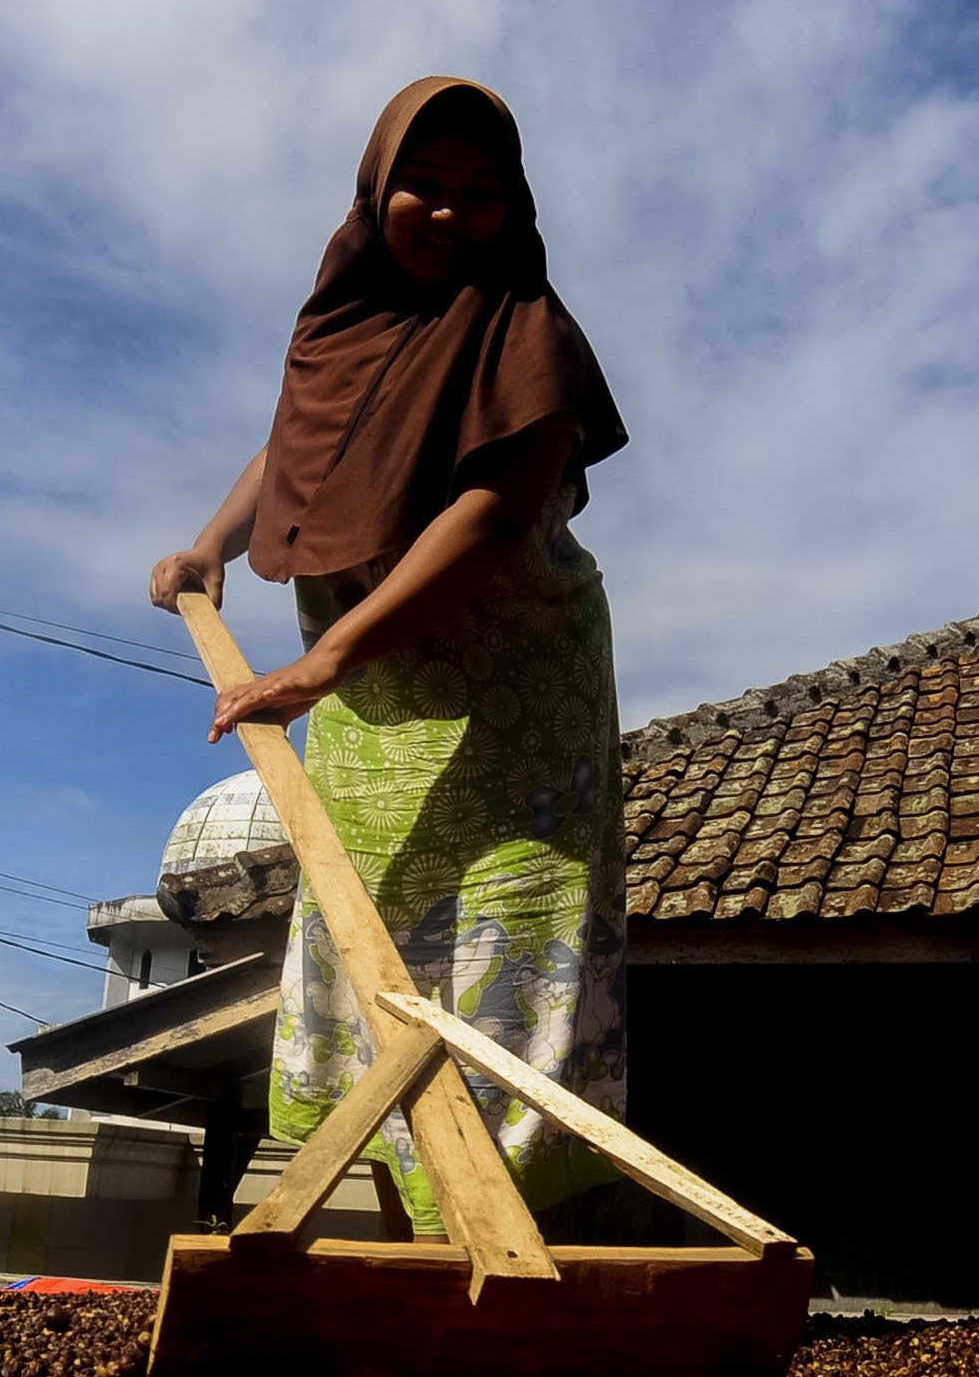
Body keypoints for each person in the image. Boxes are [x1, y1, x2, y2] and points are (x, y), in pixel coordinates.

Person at [150, 75, 630, 1228]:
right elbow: (298, 451)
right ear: (377, 189)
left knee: (502, 964)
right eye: (426, 184)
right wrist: (213, 545)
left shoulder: (527, 331)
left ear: (515, 208)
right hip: (374, 704)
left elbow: (489, 517)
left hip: (509, 703)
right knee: (370, 947)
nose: (452, 211)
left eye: (482, 192)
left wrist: (324, 662)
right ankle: (416, 1238)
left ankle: (511, 1245)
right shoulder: (345, 322)